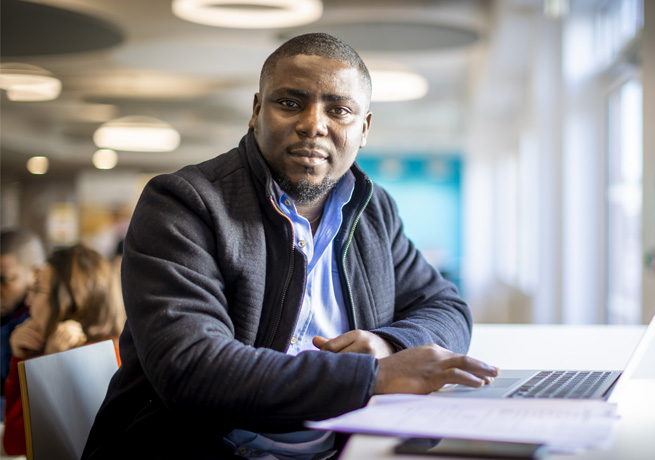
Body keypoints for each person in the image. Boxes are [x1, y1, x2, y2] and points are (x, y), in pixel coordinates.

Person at [83, 33, 498, 459]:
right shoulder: (183, 204)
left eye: (339, 110)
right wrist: (373, 376)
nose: (313, 124)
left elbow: (446, 307)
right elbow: (193, 369)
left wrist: (389, 344)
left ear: (364, 129)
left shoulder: (374, 210)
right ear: (257, 111)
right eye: (290, 103)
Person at [2, 244, 124, 455]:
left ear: (70, 301)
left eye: (38, 290)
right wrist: (22, 358)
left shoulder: (98, 357)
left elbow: (15, 441)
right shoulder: (102, 346)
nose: (29, 301)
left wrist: (51, 362)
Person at [0, 228, 45, 417]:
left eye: (5, 280)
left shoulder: (40, 327)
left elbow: (32, 411)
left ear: (35, 274)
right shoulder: (7, 315)